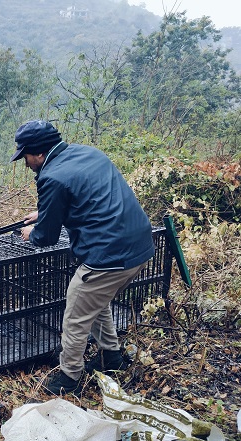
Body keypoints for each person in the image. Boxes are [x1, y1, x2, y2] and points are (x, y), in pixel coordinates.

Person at [11, 120, 155, 395]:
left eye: (26, 156)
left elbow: (47, 237)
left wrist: (33, 232)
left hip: (109, 254)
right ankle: (111, 357)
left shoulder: (51, 176)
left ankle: (69, 378)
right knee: (95, 300)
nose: (25, 163)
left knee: (76, 314)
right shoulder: (89, 154)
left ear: (39, 153)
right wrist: (44, 213)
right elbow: (87, 195)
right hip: (140, 247)